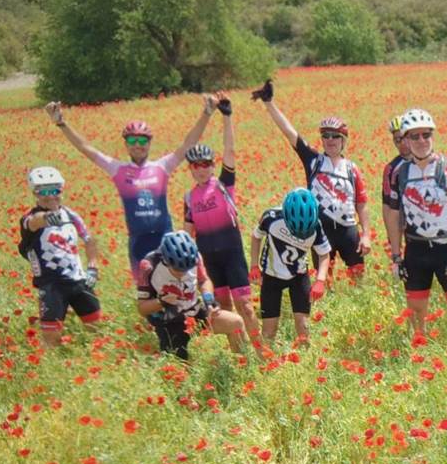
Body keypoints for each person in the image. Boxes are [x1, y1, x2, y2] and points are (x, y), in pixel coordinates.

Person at [44, 96, 216, 276]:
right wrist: (61, 123)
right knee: (145, 291)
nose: (137, 146)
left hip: (165, 238)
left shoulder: (162, 167)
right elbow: (86, 148)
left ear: (149, 143)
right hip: (138, 242)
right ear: (126, 145)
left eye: (142, 141)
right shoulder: (118, 169)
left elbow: (188, 144)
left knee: (176, 287)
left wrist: (206, 113)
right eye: (132, 141)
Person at [250, 79, 371, 283]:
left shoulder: (352, 168)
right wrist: (269, 103)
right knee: (324, 279)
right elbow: (290, 133)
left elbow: (362, 203)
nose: (330, 140)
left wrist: (366, 234)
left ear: (343, 140)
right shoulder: (314, 161)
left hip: (348, 229)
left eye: (335, 136)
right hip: (321, 229)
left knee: (358, 277)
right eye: (326, 136)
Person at [382, 109, 447, 348]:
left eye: (426, 135)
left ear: (433, 136)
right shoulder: (400, 173)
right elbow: (394, 216)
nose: (421, 141)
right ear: (406, 140)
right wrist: (396, 256)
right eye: (414, 136)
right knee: (416, 311)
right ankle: (419, 360)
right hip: (415, 250)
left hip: (446, 248)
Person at [181, 93, 260, 350]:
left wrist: (227, 117)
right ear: (190, 169)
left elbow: (230, 151)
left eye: (205, 164)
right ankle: (241, 356)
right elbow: (187, 234)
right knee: (224, 309)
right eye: (195, 166)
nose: (201, 169)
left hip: (232, 255)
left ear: (212, 166)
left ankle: (262, 353)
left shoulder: (224, 185)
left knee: (246, 307)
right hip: (210, 260)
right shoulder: (189, 197)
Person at [19, 166, 102, 347]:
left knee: (98, 331)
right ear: (35, 193)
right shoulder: (29, 218)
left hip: (79, 281)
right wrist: (47, 218)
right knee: (52, 341)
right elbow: (34, 222)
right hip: (52, 286)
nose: (50, 196)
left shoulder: (71, 215)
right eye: (44, 191)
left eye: (55, 190)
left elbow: (89, 240)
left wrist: (93, 267)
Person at [136, 231, 243, 360]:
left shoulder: (195, 256)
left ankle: (240, 365)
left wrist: (209, 301)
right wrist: (162, 301)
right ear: (166, 260)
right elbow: (142, 308)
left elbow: (203, 281)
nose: (182, 273)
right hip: (169, 322)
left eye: (186, 269)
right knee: (180, 366)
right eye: (177, 270)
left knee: (236, 323)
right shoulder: (148, 265)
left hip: (195, 312)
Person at [248, 188, 331, 347]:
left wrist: (320, 280)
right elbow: (256, 237)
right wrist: (254, 266)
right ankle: (267, 360)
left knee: (303, 328)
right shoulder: (271, 218)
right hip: (271, 276)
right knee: (269, 332)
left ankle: (306, 360)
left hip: (298, 276)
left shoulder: (316, 226)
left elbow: (324, 254)